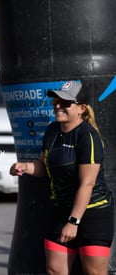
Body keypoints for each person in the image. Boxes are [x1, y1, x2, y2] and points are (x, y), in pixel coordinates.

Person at [9, 80, 114, 275]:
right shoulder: (52, 130)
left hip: (92, 213)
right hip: (60, 210)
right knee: (55, 270)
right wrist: (25, 167)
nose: (58, 105)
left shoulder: (87, 136)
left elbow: (87, 183)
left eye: (66, 103)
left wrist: (73, 222)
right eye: (56, 101)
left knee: (94, 273)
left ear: (81, 108)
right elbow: (43, 165)